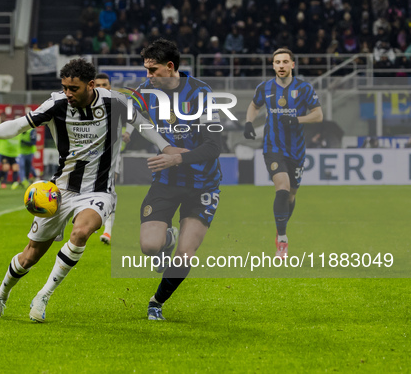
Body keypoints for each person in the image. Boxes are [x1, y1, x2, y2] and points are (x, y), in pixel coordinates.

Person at [0, 58, 182, 322]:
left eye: (73, 88)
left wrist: (166, 147)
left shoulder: (115, 102)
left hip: (98, 191)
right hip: (60, 191)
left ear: (90, 85)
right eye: (64, 87)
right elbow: (21, 123)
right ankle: (0, 295)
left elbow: (143, 125)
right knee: (30, 256)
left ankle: (43, 295)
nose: (68, 93)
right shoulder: (56, 104)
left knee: (81, 232)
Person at [132, 38, 224, 321]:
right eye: (146, 69)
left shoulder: (201, 93)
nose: (148, 76)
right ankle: (166, 238)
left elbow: (214, 146)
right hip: (166, 181)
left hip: (203, 185)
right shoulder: (145, 91)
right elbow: (128, 111)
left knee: (185, 255)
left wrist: (177, 157)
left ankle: (156, 302)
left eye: (153, 70)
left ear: (170, 67)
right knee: (150, 246)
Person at [243, 48, 323, 259]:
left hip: (296, 149)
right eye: (277, 62)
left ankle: (280, 230)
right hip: (273, 147)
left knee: (292, 195)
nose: (281, 65)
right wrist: (249, 123)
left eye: (285, 62)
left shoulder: (304, 88)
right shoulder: (265, 87)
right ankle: (283, 239)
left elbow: (318, 115)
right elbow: (254, 105)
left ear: (292, 65)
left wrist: (298, 119)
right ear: (273, 65)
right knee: (282, 189)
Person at [94, 72, 133, 245]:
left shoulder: (117, 102)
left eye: (104, 85)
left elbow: (134, 116)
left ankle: (108, 231)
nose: (102, 88)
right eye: (98, 85)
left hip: (111, 153)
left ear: (110, 86)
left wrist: (127, 132)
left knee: (110, 188)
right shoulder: (86, 104)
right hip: (89, 155)